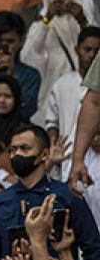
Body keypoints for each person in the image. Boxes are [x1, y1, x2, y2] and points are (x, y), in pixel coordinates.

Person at [0, 123, 100, 260]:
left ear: (45, 154)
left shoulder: (67, 196)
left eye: (25, 148)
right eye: (13, 150)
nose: (17, 154)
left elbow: (93, 249)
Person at [46, 26, 100, 166]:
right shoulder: (61, 84)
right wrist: (54, 147)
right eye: (87, 49)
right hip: (67, 158)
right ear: (77, 50)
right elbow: (52, 122)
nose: (92, 55)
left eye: (97, 51)